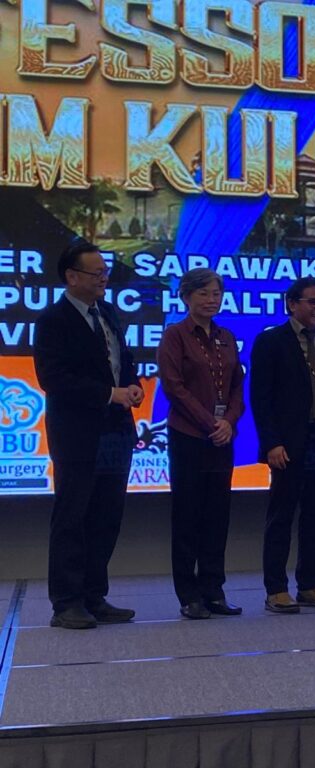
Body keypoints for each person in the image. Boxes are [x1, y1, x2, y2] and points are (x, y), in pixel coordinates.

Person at [33, 239, 143, 629]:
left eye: (105, 272)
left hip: (116, 430)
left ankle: (95, 596)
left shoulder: (108, 312)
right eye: (96, 273)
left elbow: (122, 359)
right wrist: (108, 394)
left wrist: (132, 385)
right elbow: (54, 379)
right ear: (71, 276)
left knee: (106, 516)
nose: (104, 279)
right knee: (73, 516)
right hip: (77, 433)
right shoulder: (53, 320)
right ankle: (66, 602)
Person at [250, 277, 315, 613]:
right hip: (290, 443)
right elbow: (261, 398)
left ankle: (310, 584)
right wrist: (271, 442)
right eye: (313, 302)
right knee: (282, 515)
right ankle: (276, 589)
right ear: (292, 304)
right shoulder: (271, 341)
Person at [157, 268, 245, 619]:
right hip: (189, 436)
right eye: (204, 293)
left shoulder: (227, 337)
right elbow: (174, 388)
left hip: (222, 438)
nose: (211, 300)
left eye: (216, 294)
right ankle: (188, 594)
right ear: (186, 296)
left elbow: (237, 386)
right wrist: (211, 423)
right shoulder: (175, 335)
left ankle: (214, 590)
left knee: (217, 516)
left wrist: (229, 422)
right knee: (188, 515)